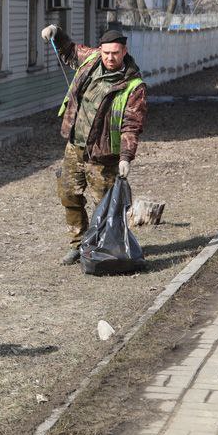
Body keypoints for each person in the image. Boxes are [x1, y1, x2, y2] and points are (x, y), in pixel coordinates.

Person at [40, 25, 148, 265]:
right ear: (100, 50)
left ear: (124, 52)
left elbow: (132, 124)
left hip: (103, 156)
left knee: (106, 207)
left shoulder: (133, 86)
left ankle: (104, 248)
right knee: (69, 195)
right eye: (107, 52)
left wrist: (125, 158)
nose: (110, 57)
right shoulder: (90, 59)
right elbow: (68, 50)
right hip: (74, 147)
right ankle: (78, 245)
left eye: (115, 53)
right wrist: (56, 31)